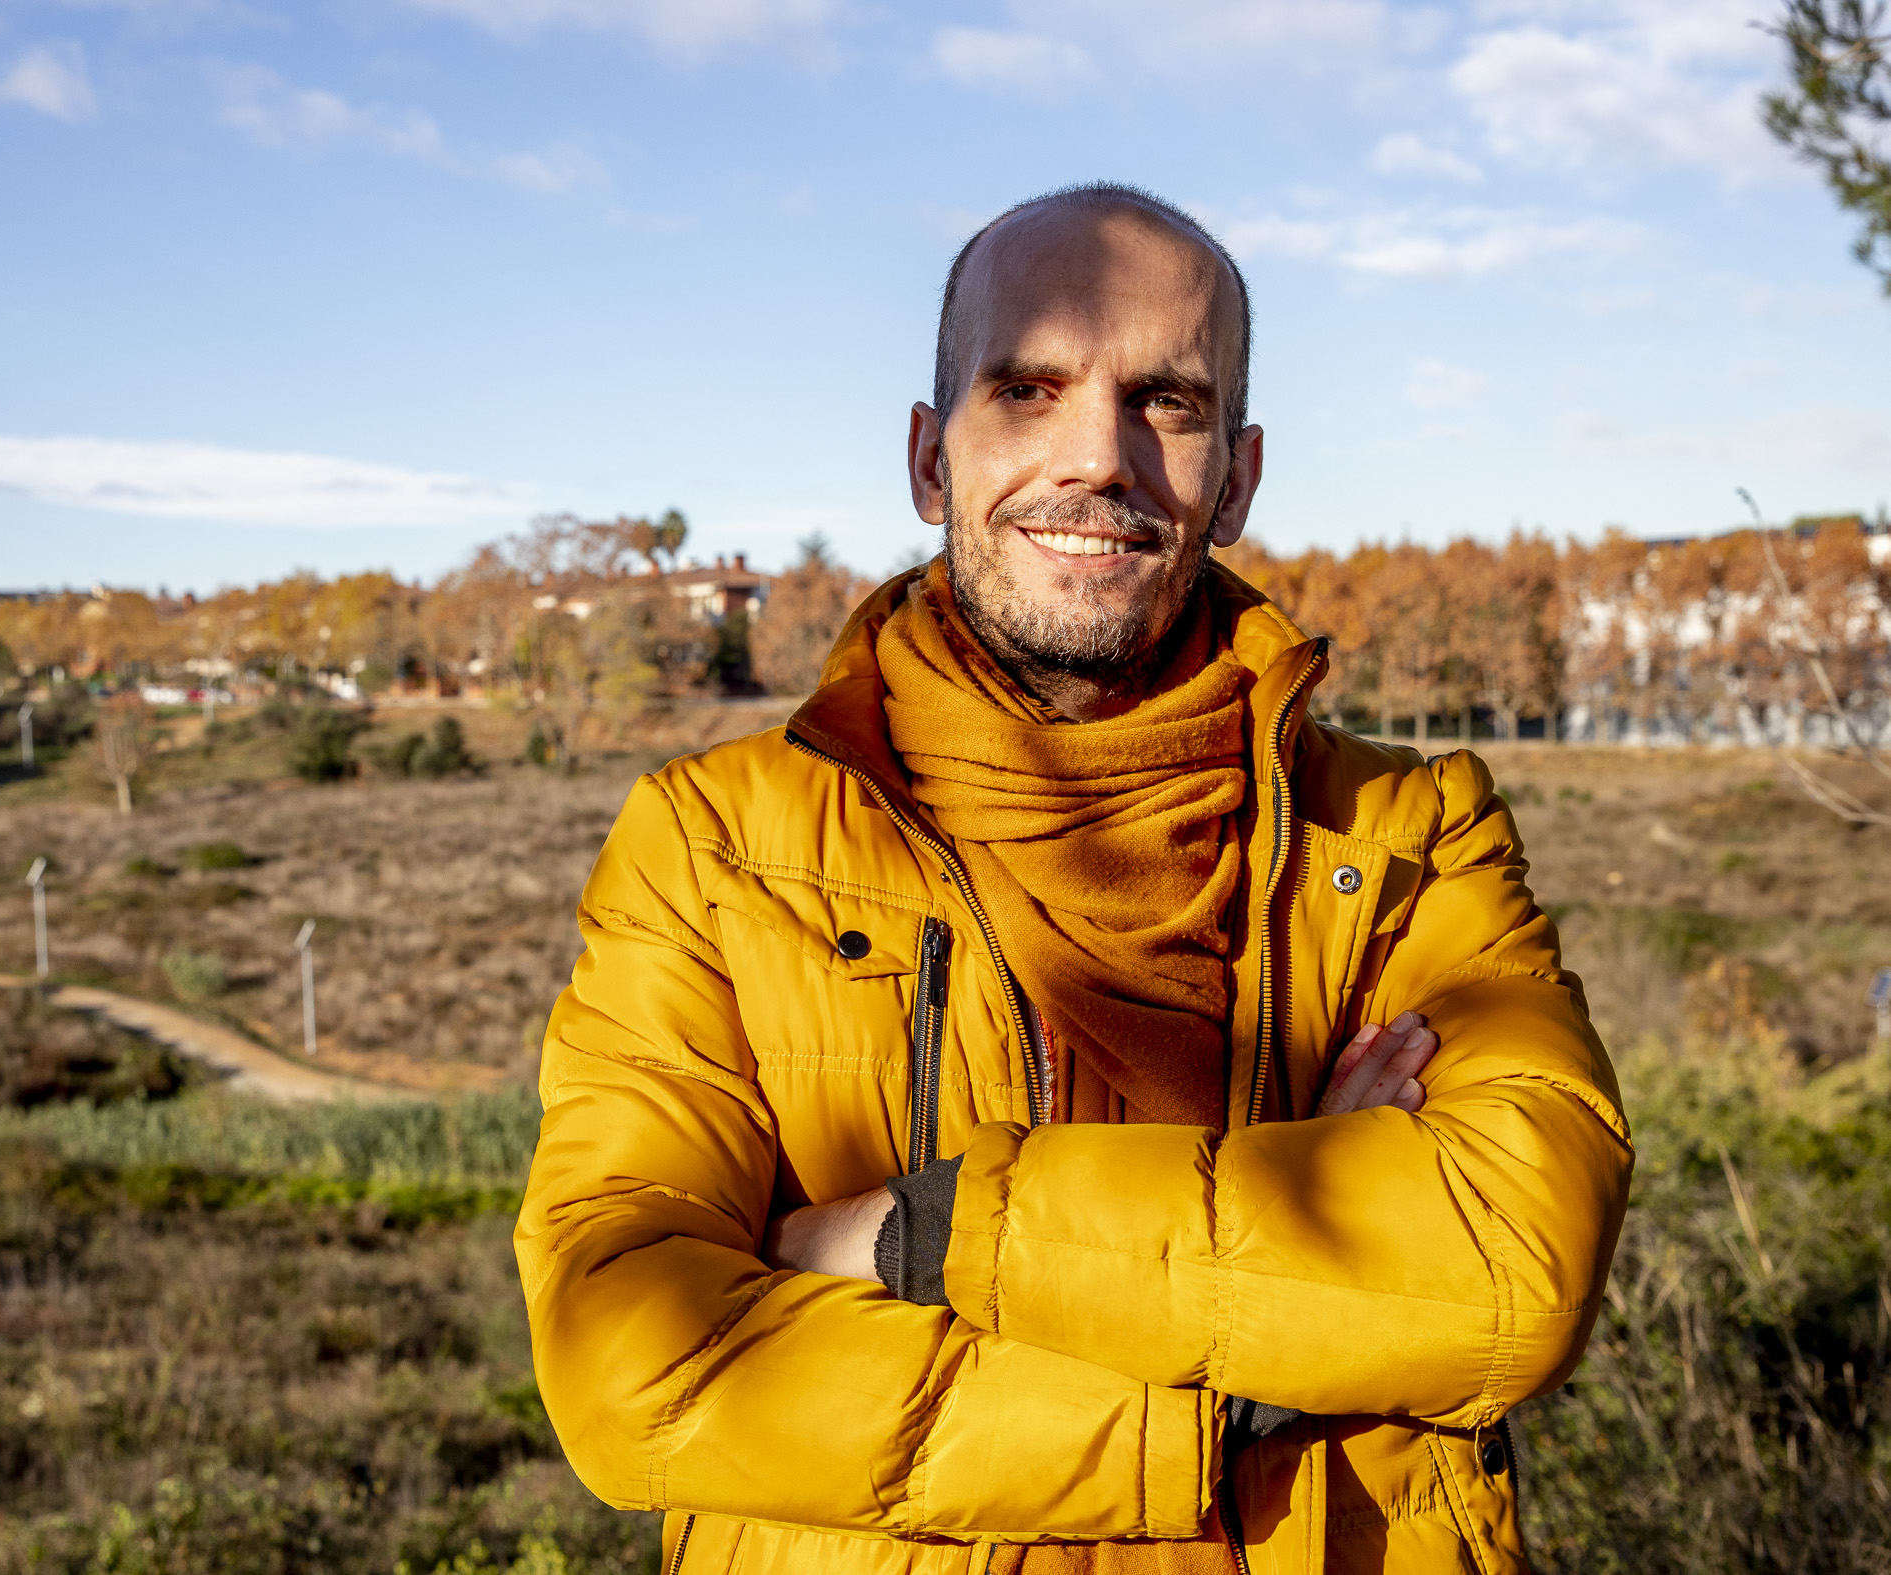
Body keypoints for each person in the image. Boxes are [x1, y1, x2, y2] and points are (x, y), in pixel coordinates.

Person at [514, 182, 1631, 1575]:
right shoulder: (714, 848)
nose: (1097, 456)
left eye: (1166, 401)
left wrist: (919, 1236)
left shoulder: (1407, 836)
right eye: (1027, 390)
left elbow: (1513, 1274)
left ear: (1236, 480)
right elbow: (634, 1364)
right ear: (930, 461)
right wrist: (1250, 1375)